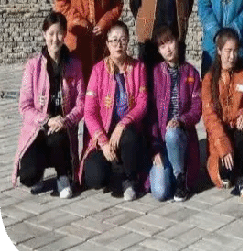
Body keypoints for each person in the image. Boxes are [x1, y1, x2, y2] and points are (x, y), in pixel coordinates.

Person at [12, 12, 84, 199]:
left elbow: (81, 102)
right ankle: (39, 171)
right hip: (38, 130)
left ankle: (63, 175)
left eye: (59, 33)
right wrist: (46, 120)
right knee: (28, 176)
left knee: (58, 136)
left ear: (65, 34)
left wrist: (66, 120)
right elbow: (25, 106)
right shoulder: (33, 66)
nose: (55, 39)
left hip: (62, 129)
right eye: (51, 33)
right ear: (44, 34)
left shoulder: (74, 64)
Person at [80, 21, 148, 201]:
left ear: (128, 41)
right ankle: (115, 169)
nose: (118, 44)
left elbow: (142, 104)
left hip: (127, 131)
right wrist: (103, 142)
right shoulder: (98, 70)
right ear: (107, 44)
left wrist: (122, 124)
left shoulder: (138, 68)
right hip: (104, 131)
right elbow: (89, 112)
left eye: (123, 39)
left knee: (130, 136)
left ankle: (129, 180)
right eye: (114, 40)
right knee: (94, 178)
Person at [201, 28, 243, 198]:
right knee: (223, 175)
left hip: (239, 129)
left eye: (235, 51)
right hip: (220, 133)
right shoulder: (209, 79)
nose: (232, 56)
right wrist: (223, 145)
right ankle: (225, 166)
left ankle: (242, 178)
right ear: (219, 51)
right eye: (228, 51)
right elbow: (209, 116)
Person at [148, 26, 202, 202]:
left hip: (181, 136)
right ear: (158, 50)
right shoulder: (155, 74)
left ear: (177, 42)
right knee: (160, 193)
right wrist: (155, 148)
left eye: (170, 42)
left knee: (172, 133)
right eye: (162, 46)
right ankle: (169, 170)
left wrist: (181, 120)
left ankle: (180, 177)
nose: (168, 49)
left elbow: (197, 109)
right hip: (160, 142)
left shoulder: (191, 73)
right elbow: (151, 115)